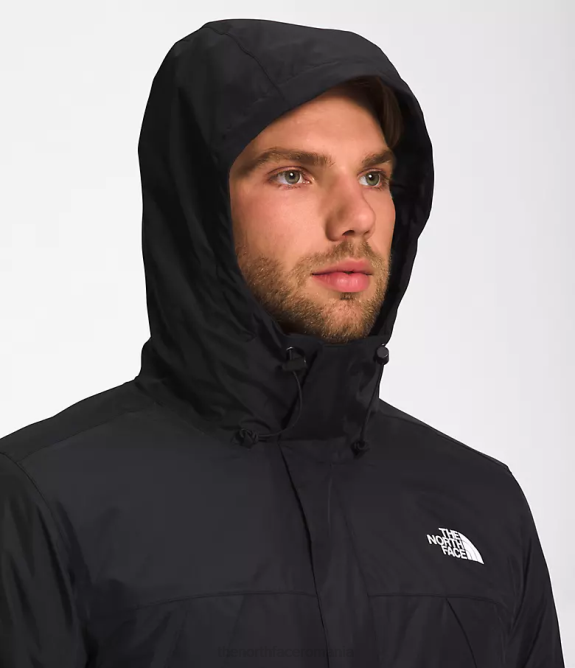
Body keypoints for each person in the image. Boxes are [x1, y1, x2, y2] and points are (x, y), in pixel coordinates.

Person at [0, 17, 565, 667]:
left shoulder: (481, 503)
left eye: (374, 177)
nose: (356, 217)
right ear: (202, 207)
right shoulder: (44, 499)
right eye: (294, 175)